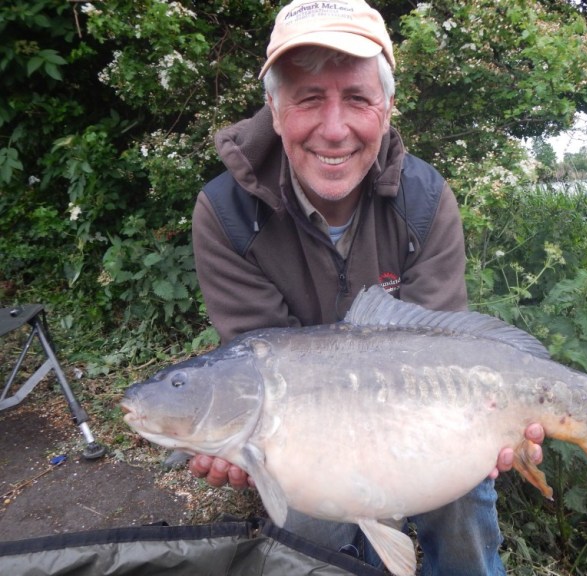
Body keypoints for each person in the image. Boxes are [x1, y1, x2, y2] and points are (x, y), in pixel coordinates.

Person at [190, 0, 545, 573]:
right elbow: (258, 364)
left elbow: (443, 349)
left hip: (423, 421)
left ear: (386, 108)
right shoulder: (227, 213)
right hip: (307, 439)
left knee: (464, 505)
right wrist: (237, 443)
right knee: (302, 538)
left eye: (356, 98)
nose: (335, 130)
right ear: (275, 111)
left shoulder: (426, 201)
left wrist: (488, 426)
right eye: (308, 99)